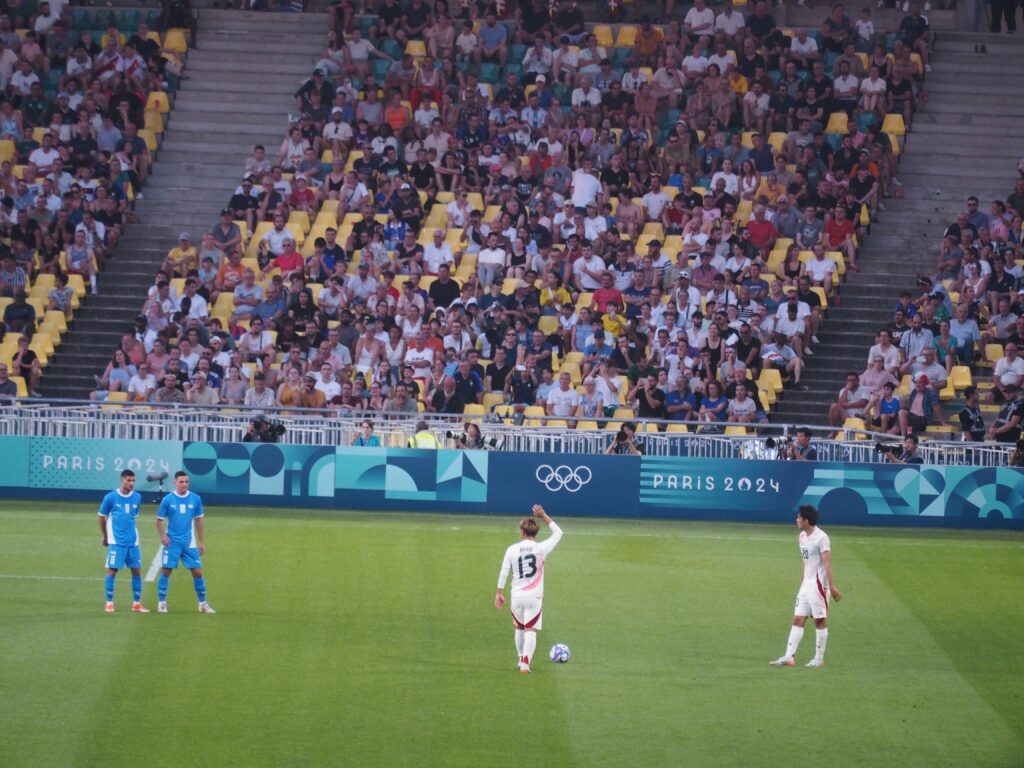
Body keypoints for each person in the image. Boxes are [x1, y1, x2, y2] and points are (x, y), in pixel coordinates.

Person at [769, 504, 842, 669]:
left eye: (799, 517)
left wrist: (832, 586)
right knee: (798, 619)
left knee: (819, 621)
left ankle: (819, 659)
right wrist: (803, 581)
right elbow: (805, 560)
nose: (796, 519)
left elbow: (827, 563)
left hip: (819, 586)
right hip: (806, 586)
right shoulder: (802, 536)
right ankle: (789, 657)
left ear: (806, 520)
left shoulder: (822, 538)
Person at [494, 504, 563, 674]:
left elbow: (504, 571)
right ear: (536, 533)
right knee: (531, 630)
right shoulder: (541, 548)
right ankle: (525, 664)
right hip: (534, 596)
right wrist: (543, 515)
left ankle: (520, 659)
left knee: (519, 627)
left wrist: (499, 593)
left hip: (517, 595)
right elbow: (558, 533)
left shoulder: (512, 549)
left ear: (522, 532)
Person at [155, 471, 215, 614]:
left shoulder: (195, 499)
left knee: (197, 572)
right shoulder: (168, 500)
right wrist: (163, 536)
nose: (184, 484)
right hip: (172, 542)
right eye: (181, 482)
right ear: (175, 482)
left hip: (189, 542)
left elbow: (199, 520)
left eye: (187, 482)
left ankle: (202, 604)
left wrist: (201, 542)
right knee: (166, 570)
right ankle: (162, 603)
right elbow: (159, 520)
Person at [98, 469, 148, 613]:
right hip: (116, 541)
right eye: (129, 480)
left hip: (133, 541)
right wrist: (105, 536)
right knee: (112, 570)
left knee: (136, 571)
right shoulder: (110, 497)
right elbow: (101, 516)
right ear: (122, 480)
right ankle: (109, 602)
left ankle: (136, 603)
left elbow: (133, 516)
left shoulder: (137, 497)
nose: (132, 483)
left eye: (133, 481)